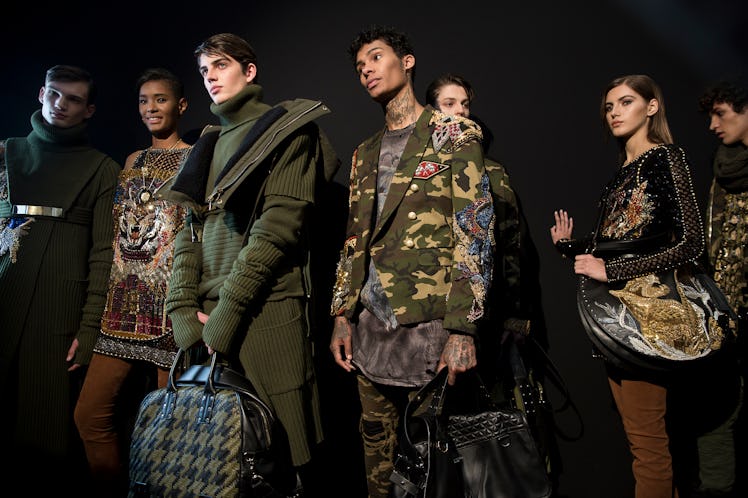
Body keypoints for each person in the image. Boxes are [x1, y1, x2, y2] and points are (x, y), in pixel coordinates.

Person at [161, 32, 338, 492]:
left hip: (266, 310)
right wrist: (181, 308)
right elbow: (188, 234)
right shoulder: (208, 141)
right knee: (211, 460)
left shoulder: (287, 130)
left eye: (220, 65)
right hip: (205, 318)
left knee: (282, 456)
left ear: (249, 70)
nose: (211, 78)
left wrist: (228, 313)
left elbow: (277, 231)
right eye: (204, 71)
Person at [329, 26, 495, 498]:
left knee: (435, 465)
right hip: (369, 326)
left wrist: (464, 327)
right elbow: (353, 241)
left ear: (407, 62)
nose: (366, 69)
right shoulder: (363, 153)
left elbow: (475, 231)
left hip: (431, 328)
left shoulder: (454, 134)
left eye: (376, 57)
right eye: (359, 64)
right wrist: (341, 314)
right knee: (377, 458)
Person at [550, 74, 705, 498]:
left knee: (649, 447)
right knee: (646, 442)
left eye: (626, 102)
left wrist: (610, 271)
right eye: (609, 106)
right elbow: (626, 244)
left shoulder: (665, 158)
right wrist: (573, 247)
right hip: (620, 322)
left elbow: (692, 243)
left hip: (649, 320)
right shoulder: (622, 172)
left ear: (651, 107)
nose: (615, 112)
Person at [425, 72, 558, 479]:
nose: (461, 112)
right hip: (425, 325)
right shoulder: (416, 174)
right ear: (431, 112)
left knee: (491, 431)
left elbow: (514, 249)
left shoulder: (492, 171)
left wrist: (516, 316)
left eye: (465, 104)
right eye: (449, 104)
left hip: (487, 318)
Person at [0, 65, 120, 491]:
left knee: (43, 435)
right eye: (54, 94)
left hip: (59, 308)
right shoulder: (6, 152)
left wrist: (89, 328)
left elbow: (105, 253)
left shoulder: (102, 169)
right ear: (40, 93)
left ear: (88, 110)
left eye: (72, 99)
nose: (60, 105)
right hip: (5, 295)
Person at [73, 67, 192, 497]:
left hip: (169, 307)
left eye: (159, 99)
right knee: (89, 416)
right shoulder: (132, 161)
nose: (150, 108)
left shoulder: (197, 157)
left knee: (170, 428)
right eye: (143, 100)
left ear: (180, 105)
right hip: (122, 302)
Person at [668, 78, 748, 498]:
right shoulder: (723, 168)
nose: (713, 124)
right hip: (727, 314)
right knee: (716, 414)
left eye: (722, 113)